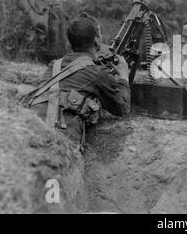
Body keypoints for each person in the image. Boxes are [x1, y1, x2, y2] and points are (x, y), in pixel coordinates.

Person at [21, 13, 131, 150]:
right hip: (61, 143)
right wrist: (123, 75)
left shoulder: (54, 65)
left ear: (71, 42)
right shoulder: (96, 71)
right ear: (96, 40)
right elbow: (123, 108)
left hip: (29, 129)